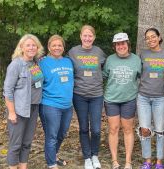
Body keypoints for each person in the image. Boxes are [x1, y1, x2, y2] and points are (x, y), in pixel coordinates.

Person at [3, 34, 44, 169]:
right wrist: (11, 112)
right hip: (19, 110)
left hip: (33, 109)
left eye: (34, 45)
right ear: (21, 47)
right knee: (16, 144)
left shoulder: (35, 63)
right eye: (28, 45)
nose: (31, 48)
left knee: (27, 143)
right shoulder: (16, 65)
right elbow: (8, 90)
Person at [68, 25, 106, 169]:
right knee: (84, 127)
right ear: (80, 36)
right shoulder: (73, 52)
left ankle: (95, 155)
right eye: (85, 35)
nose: (87, 38)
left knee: (96, 129)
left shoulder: (99, 52)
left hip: (96, 95)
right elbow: (65, 65)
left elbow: (106, 68)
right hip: (79, 95)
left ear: (94, 38)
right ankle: (87, 157)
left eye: (90, 36)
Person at [103, 32, 141, 169]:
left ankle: (128, 162)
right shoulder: (110, 60)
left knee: (128, 129)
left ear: (128, 44)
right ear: (115, 46)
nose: (121, 46)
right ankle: (114, 161)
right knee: (113, 129)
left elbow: (142, 76)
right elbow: (105, 76)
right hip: (111, 99)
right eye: (118, 44)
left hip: (129, 99)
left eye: (123, 43)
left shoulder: (136, 60)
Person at [137, 28, 164, 169]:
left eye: (153, 36)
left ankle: (159, 162)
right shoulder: (142, 54)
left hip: (161, 97)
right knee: (145, 130)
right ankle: (147, 161)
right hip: (143, 96)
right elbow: (137, 73)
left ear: (159, 37)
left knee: (160, 130)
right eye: (147, 38)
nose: (150, 40)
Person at [39, 35, 74, 169]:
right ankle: (51, 164)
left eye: (59, 45)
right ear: (49, 47)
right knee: (52, 135)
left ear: (63, 47)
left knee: (62, 133)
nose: (57, 48)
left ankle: (53, 155)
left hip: (67, 105)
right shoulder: (42, 62)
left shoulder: (68, 61)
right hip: (50, 105)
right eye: (54, 45)